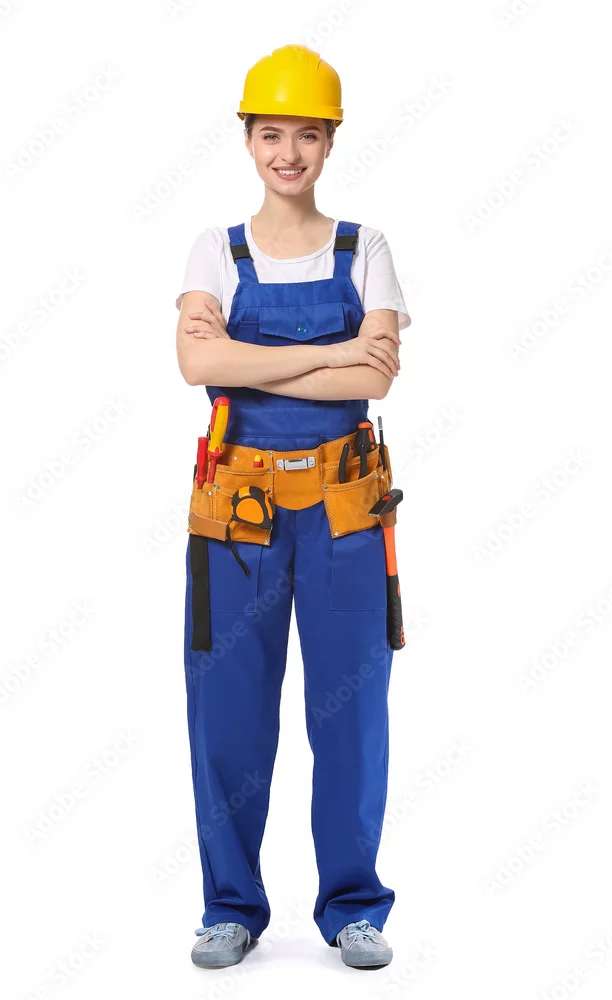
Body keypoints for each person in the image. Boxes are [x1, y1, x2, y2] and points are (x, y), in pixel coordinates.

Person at [175, 44, 410, 971]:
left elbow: (376, 377)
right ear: (247, 139)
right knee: (227, 711)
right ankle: (229, 908)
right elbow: (196, 363)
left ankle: (352, 907)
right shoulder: (214, 249)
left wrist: (252, 360)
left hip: (347, 511)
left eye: (306, 135)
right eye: (270, 133)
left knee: (350, 715)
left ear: (329, 142)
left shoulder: (365, 248)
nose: (287, 152)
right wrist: (329, 354)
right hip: (234, 517)